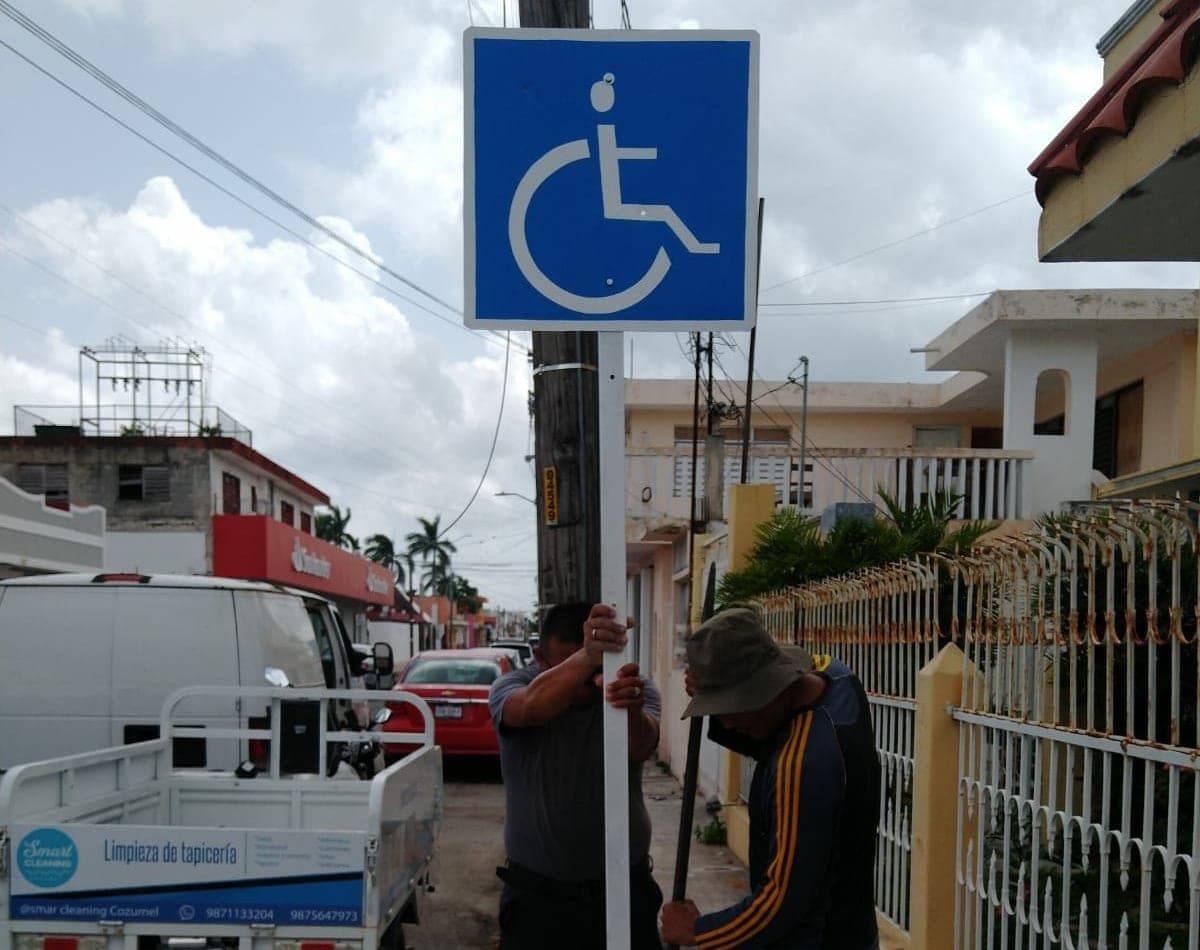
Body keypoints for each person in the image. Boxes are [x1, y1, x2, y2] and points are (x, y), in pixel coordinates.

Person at [660, 607, 881, 949]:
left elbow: (781, 903)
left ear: (770, 689)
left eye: (734, 707)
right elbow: (772, 735)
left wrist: (700, 931)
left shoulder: (804, 763)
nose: (728, 722)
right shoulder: (838, 677)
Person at [488, 602, 664, 950]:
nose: (590, 680)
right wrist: (587, 657)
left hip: (625, 889)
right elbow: (530, 708)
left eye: (596, 668)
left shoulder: (630, 688)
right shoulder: (513, 685)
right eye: (573, 665)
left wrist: (628, 710)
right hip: (538, 900)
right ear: (540, 658)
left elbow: (642, 747)